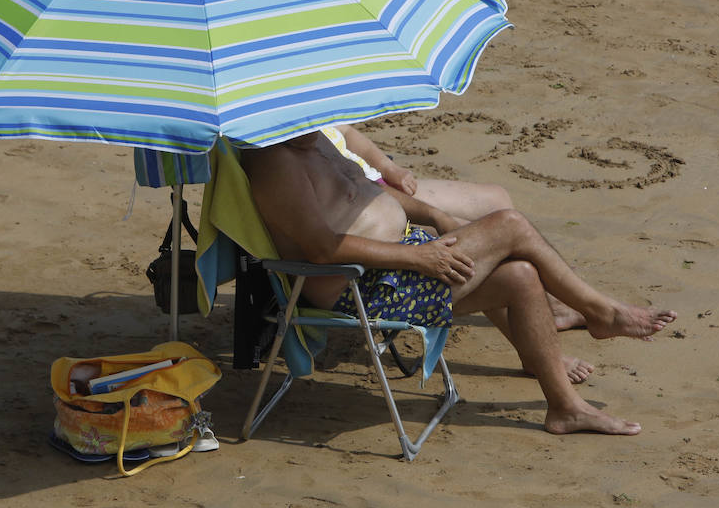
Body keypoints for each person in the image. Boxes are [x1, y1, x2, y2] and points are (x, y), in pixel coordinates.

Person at [242, 130, 676, 436]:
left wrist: (433, 217)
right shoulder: (273, 162)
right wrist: (417, 254)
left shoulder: (311, 139)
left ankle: (565, 409)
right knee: (509, 225)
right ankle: (601, 312)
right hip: (358, 291)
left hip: (395, 265)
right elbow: (320, 249)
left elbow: (368, 188)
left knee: (520, 275)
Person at [324, 124, 592, 380]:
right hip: (369, 220)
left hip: (374, 187)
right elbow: (320, 244)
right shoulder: (293, 160)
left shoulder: (310, 120)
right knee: (493, 239)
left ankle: (554, 308)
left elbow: (345, 131)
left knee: (496, 203)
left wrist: (388, 168)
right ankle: (559, 322)